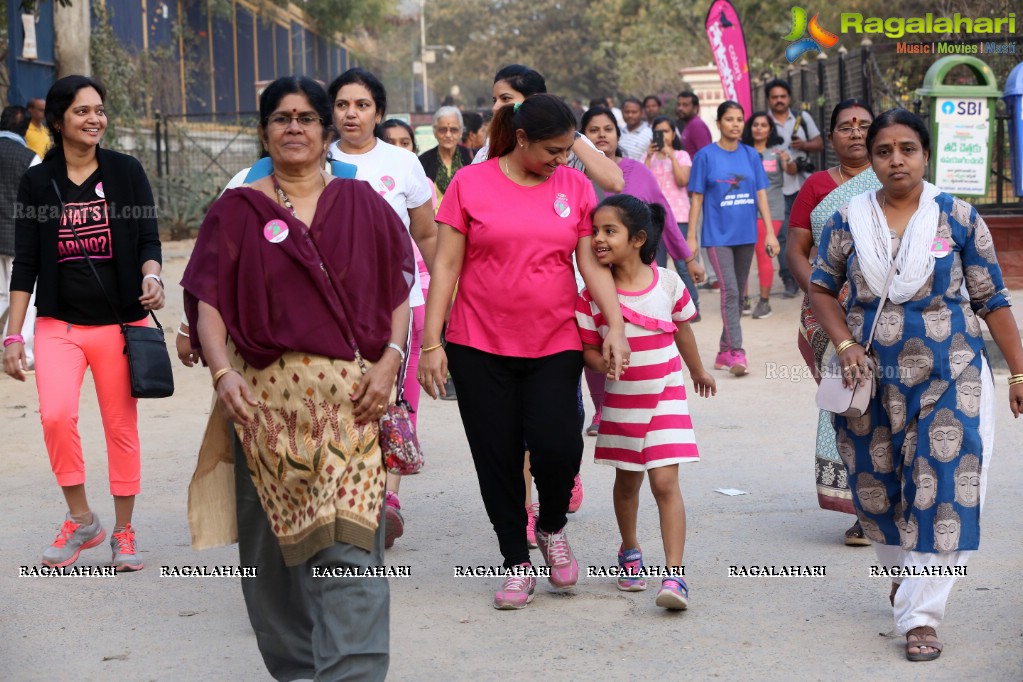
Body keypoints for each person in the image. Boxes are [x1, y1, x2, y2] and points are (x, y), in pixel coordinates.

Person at [182, 76, 413, 681]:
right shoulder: (237, 211)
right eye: (282, 118)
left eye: (307, 118)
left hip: (352, 410)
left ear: (325, 131)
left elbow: (399, 291)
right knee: (273, 566)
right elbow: (207, 301)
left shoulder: (364, 206)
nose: (294, 127)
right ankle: (299, 674)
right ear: (264, 130)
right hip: (261, 415)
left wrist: (391, 361)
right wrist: (223, 373)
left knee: (351, 556)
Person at [808, 108, 1023, 662]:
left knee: (945, 488)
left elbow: (991, 298)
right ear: (871, 159)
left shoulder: (957, 217)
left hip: (951, 377)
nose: (895, 159)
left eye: (907, 148)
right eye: (884, 151)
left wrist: (1019, 370)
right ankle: (906, 581)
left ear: (925, 155)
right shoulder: (847, 219)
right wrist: (846, 344)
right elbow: (821, 289)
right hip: (871, 380)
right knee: (880, 489)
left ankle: (921, 616)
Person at [418, 93, 631, 610]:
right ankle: (515, 560)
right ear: (521, 139)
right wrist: (431, 343)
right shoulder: (470, 183)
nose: (561, 160)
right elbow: (445, 267)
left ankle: (552, 526)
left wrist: (616, 326)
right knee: (498, 457)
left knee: (559, 445)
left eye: (566, 150)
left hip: (555, 340)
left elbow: (592, 266)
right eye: (553, 150)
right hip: (477, 344)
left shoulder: (575, 186)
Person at [3, 75, 164, 571]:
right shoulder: (37, 180)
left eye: (99, 110)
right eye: (82, 111)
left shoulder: (125, 171)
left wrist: (153, 276)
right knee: (55, 416)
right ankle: (82, 520)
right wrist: (12, 333)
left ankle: (125, 531)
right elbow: (25, 261)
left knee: (120, 428)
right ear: (57, 120)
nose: (95, 119)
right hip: (59, 324)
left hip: (120, 324)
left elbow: (147, 240)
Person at [575, 194, 715, 611]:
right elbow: (585, 349)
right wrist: (604, 360)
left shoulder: (668, 282)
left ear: (637, 239)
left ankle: (674, 575)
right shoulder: (591, 294)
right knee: (628, 482)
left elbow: (683, 331)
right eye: (595, 231)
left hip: (666, 393)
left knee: (665, 482)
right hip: (621, 402)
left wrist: (698, 371)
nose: (598, 239)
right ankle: (630, 548)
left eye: (609, 231)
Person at [328, 67, 438, 549]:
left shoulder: (404, 163)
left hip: (396, 304)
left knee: (393, 401)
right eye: (343, 105)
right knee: (338, 404)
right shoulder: (316, 159)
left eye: (362, 105)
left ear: (378, 111)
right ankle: (341, 497)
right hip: (328, 308)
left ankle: (387, 500)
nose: (352, 113)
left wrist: (445, 300)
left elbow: (427, 233)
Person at [786, 99, 881, 546]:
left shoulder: (895, 180)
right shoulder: (818, 185)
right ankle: (863, 509)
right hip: (831, 313)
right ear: (832, 137)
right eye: (846, 126)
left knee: (894, 406)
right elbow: (796, 250)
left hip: (889, 310)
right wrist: (824, 293)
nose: (856, 133)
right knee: (852, 404)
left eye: (864, 125)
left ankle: (893, 502)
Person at [581, 105, 705, 436]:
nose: (602, 135)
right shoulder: (573, 176)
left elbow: (661, 214)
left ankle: (651, 399)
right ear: (581, 137)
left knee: (642, 339)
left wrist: (687, 258)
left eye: (608, 128)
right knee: (598, 338)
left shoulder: (637, 171)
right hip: (589, 271)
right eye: (593, 130)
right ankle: (602, 408)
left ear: (618, 135)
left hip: (636, 276)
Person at [688, 101, 778, 376]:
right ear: (719, 124)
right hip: (717, 236)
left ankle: (722, 350)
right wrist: (691, 237)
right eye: (729, 119)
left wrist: (770, 232)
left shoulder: (751, 155)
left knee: (739, 296)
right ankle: (737, 351)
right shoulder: (705, 156)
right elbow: (697, 198)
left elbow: (761, 193)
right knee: (730, 291)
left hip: (746, 234)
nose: (736, 124)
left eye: (740, 119)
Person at [476, 65, 624, 193]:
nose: (496, 108)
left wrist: (567, 135)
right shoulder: (492, 144)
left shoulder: (573, 142)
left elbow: (614, 183)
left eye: (506, 99)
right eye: (495, 100)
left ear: (536, 100)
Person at [765, 78, 824, 298]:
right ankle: (788, 278)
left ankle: (813, 276)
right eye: (774, 97)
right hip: (777, 188)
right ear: (769, 100)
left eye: (783, 96)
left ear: (789, 98)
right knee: (781, 235)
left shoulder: (802, 118)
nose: (779, 100)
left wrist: (804, 145)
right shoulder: (763, 122)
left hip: (804, 184)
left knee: (814, 232)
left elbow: (819, 144)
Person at [740, 111, 795, 319]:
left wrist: (787, 160)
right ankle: (742, 301)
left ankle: (764, 302)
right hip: (744, 210)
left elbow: (790, 170)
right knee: (742, 256)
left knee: (764, 253)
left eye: (764, 125)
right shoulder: (742, 152)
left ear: (770, 129)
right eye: (755, 125)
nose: (759, 128)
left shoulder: (777, 152)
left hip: (771, 210)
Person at [643, 115, 699, 314]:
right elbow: (642, 183)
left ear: (673, 133)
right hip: (652, 218)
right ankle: (663, 307)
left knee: (683, 264)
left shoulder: (682, 155)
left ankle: (693, 306)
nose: (663, 135)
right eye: (658, 132)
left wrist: (671, 156)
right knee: (657, 265)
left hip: (679, 216)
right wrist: (649, 158)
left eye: (666, 131)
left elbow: (683, 181)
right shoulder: (645, 157)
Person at [0, 105, 41, 369]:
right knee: (23, 294)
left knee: (1, 295)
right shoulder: (30, 159)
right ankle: (23, 352)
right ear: (26, 129)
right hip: (19, 239)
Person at [419, 105, 473, 203]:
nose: (448, 135)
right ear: (435, 131)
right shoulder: (423, 161)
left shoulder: (471, 157)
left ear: (461, 131)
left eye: (453, 130)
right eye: (443, 130)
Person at [675, 91, 712, 161]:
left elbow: (706, 155)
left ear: (695, 108)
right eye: (678, 105)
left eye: (685, 105)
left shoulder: (696, 125)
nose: (680, 108)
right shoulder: (689, 124)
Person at [618, 97, 652, 161]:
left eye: (634, 112)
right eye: (627, 112)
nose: (630, 115)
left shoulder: (650, 134)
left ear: (642, 113)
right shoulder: (617, 133)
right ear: (622, 112)